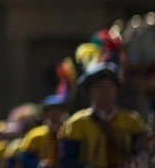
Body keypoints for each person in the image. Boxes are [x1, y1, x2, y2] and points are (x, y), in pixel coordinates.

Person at [58, 30, 148, 168]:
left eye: (110, 86)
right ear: (89, 93)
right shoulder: (75, 125)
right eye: (100, 87)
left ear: (116, 90)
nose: (106, 91)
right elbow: (66, 161)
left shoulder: (133, 122)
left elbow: (142, 151)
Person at [19, 95, 67, 168]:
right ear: (45, 113)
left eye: (58, 110)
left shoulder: (68, 132)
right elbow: (25, 158)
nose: (55, 113)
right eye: (51, 110)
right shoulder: (35, 135)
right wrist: (37, 164)